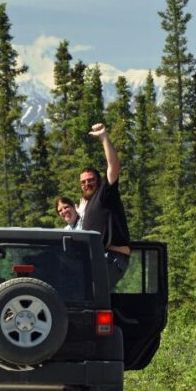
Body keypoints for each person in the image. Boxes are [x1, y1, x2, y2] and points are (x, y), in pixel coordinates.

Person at [77, 123, 131, 286]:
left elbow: (113, 166)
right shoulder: (90, 204)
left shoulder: (105, 193)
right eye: (83, 182)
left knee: (87, 292)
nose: (87, 184)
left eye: (90, 180)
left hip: (111, 259)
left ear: (99, 181)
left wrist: (104, 138)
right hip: (98, 259)